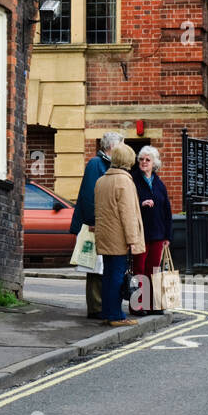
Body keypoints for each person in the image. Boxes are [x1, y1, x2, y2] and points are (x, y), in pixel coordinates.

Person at [70, 131, 124, 318]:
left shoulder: (109, 164)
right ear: (111, 146)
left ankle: (101, 306)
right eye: (120, 145)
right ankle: (96, 308)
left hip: (104, 224)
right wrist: (93, 221)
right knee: (94, 267)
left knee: (101, 266)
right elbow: (89, 196)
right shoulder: (96, 163)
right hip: (94, 224)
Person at [93, 142, 146, 326]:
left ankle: (107, 313)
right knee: (117, 276)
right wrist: (133, 239)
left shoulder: (102, 180)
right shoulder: (124, 181)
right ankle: (116, 316)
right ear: (127, 160)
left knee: (108, 276)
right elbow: (128, 214)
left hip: (105, 235)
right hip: (119, 238)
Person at [130, 145, 174, 312]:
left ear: (154, 163)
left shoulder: (159, 183)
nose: (144, 162)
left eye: (147, 160)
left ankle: (153, 303)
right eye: (141, 159)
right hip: (140, 234)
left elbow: (167, 211)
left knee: (154, 270)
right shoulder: (133, 180)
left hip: (158, 234)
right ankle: (137, 304)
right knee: (139, 269)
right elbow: (129, 206)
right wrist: (141, 204)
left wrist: (167, 236)